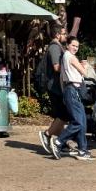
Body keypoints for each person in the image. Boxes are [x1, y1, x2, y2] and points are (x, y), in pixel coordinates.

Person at [50, 37, 95, 161]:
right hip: (72, 90)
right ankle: (59, 141)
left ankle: (82, 150)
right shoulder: (71, 57)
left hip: (72, 90)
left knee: (82, 122)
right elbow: (84, 73)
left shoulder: (66, 57)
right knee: (78, 122)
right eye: (73, 45)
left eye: (77, 46)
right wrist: (85, 65)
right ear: (67, 45)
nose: (75, 48)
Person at [38, 22, 69, 154]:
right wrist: (71, 67)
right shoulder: (55, 47)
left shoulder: (57, 46)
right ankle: (47, 134)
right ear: (57, 35)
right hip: (55, 87)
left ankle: (61, 142)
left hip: (57, 86)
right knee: (63, 114)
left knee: (61, 115)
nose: (66, 36)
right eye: (63, 33)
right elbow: (57, 67)